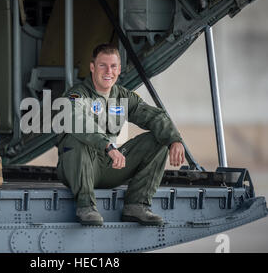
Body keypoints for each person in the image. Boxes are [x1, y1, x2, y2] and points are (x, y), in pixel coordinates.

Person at [56, 43, 185, 226]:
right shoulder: (76, 95)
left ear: (119, 69)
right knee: (77, 139)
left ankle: (136, 205)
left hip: (107, 167)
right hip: (76, 168)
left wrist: (174, 139)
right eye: (103, 65)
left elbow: (153, 116)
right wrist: (108, 146)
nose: (108, 71)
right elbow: (79, 122)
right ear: (92, 67)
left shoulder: (123, 97)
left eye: (113, 66)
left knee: (159, 139)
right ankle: (85, 206)